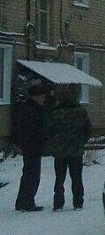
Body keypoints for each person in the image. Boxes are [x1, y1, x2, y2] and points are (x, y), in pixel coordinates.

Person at [47, 89, 92, 211]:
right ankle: (78, 203)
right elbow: (88, 128)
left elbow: (49, 130)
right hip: (76, 150)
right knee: (77, 177)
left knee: (59, 178)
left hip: (60, 151)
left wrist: (54, 143)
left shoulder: (55, 113)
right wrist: (82, 141)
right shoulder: (80, 111)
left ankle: (58, 204)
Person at [14, 84, 47, 212]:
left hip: (29, 145)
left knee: (29, 174)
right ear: (35, 97)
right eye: (42, 96)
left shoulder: (27, 108)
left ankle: (23, 201)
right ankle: (27, 202)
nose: (44, 99)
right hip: (32, 146)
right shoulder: (32, 110)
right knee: (32, 175)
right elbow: (34, 130)